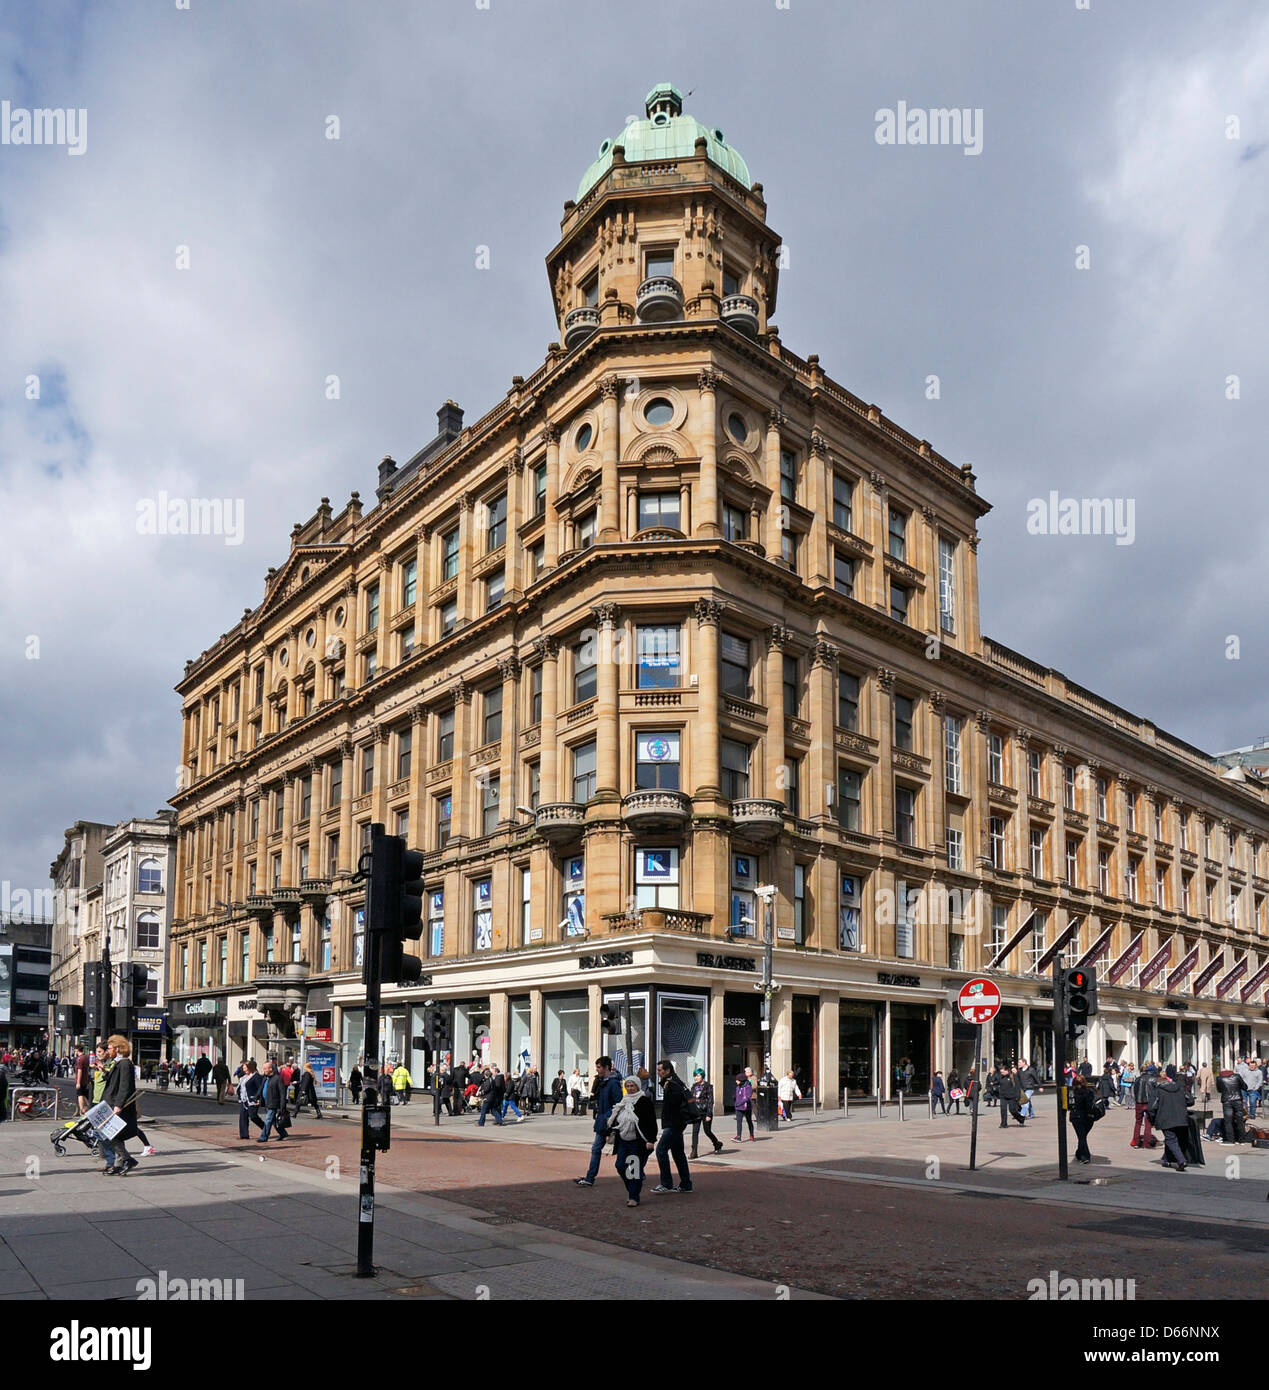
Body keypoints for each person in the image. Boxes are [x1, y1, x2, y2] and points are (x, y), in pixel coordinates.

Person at [608, 1076, 658, 1207]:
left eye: (632, 1086)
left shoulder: (644, 1101)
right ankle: (632, 1189)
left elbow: (651, 1122)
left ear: (638, 1086)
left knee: (634, 1169)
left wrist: (651, 1140)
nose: (630, 1089)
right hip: (623, 1140)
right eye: (627, 1086)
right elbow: (616, 1120)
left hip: (637, 1141)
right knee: (620, 1165)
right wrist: (609, 1133)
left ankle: (633, 1197)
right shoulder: (623, 1102)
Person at [574, 1056, 622, 1186]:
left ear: (606, 1068)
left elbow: (618, 1104)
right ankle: (590, 1177)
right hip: (603, 1120)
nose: (597, 1069)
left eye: (599, 1067)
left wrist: (608, 1119)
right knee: (596, 1149)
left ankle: (638, 1173)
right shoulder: (603, 1082)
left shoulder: (612, 1083)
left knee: (623, 1150)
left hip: (609, 1121)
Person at [99, 1035, 140, 1176]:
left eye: (109, 1048)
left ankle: (127, 1159)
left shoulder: (125, 1064)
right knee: (113, 1134)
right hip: (112, 1103)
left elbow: (125, 1087)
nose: (107, 1051)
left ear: (117, 1048)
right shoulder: (118, 1062)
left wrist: (118, 1105)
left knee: (110, 1134)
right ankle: (119, 1163)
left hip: (117, 1105)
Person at [651, 1059, 692, 1194]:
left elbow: (674, 1104)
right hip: (677, 1123)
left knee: (661, 1151)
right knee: (678, 1153)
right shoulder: (673, 1082)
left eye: (660, 1070)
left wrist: (666, 1086)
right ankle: (686, 1184)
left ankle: (666, 1183)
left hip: (674, 1124)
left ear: (667, 1071)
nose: (658, 1073)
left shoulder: (673, 1084)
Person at [1151, 1064, 1192, 1171]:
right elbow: (1190, 1100)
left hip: (1166, 1118)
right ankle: (1166, 1159)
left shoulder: (1158, 1091)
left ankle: (1181, 1160)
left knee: (1171, 1139)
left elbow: (1152, 1107)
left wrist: (1152, 1120)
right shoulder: (1179, 1088)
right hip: (1181, 1117)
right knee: (1173, 1139)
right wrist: (1180, 1104)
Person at [688, 1068, 723, 1157]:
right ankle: (694, 1151)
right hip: (696, 1112)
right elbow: (691, 1099)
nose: (696, 1077)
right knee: (695, 1131)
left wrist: (709, 1114)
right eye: (695, 1076)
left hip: (705, 1112)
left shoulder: (708, 1086)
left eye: (698, 1075)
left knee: (707, 1131)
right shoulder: (694, 1086)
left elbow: (710, 1101)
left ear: (702, 1076)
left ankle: (717, 1143)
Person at [1068, 1073, 1100, 1164]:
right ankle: (1079, 1153)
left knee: (1081, 1137)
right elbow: (1090, 1106)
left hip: (1076, 1117)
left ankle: (1085, 1156)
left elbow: (1069, 1106)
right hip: (1088, 1118)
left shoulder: (1072, 1093)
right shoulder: (1089, 1092)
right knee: (1082, 1137)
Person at [257, 1060, 291, 1142]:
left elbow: (282, 1093)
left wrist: (282, 1106)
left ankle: (264, 1137)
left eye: (266, 1068)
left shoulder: (278, 1078)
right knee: (273, 1121)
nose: (264, 1070)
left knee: (268, 1119)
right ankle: (283, 1133)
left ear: (271, 1069)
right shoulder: (265, 1078)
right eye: (263, 1068)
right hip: (266, 1103)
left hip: (274, 1103)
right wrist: (256, 1097)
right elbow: (261, 1088)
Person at [1130, 1065, 1159, 1148]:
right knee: (1148, 1123)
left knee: (1138, 1122)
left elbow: (1134, 1091)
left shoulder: (1138, 1079)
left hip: (1139, 1102)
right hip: (1149, 1103)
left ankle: (1136, 1142)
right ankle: (1146, 1143)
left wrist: (1136, 1100)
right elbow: (1156, 1092)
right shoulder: (1153, 1079)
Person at [1216, 1069, 1247, 1144]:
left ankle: (1230, 1139)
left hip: (1226, 1101)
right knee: (1240, 1120)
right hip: (1238, 1100)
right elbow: (1245, 1086)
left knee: (1228, 1121)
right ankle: (1242, 1139)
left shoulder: (1219, 1078)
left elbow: (1219, 1090)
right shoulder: (1237, 1076)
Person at [237, 1059, 265, 1139]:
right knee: (243, 1117)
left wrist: (259, 1099)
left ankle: (265, 1128)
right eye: (243, 1068)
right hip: (244, 1100)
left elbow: (260, 1088)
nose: (243, 1069)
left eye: (245, 1067)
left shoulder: (256, 1076)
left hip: (253, 1100)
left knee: (253, 1116)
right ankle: (244, 1135)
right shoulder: (244, 1077)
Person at [733, 1069, 755, 1142]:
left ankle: (751, 1135)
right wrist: (735, 1102)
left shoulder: (748, 1087)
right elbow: (737, 1096)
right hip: (738, 1107)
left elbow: (747, 1097)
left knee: (749, 1121)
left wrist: (739, 1103)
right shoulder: (737, 1087)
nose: (736, 1081)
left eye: (737, 1080)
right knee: (739, 1122)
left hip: (746, 1107)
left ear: (741, 1081)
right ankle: (738, 1136)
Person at [73, 1044, 91, 1116]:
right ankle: (88, 1107)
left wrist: (78, 1082)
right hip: (85, 1079)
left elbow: (79, 1070)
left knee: (80, 1094)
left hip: (81, 1080)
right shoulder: (86, 1057)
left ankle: (82, 1110)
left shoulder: (80, 1059)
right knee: (83, 1094)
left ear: (77, 1050)